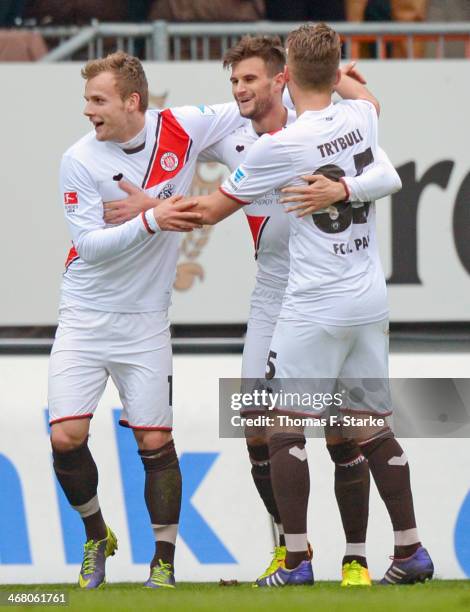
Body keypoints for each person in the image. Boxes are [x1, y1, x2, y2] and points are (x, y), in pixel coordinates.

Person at [103, 35, 403, 586]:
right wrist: (153, 192)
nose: (240, 90)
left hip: (322, 289)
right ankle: (295, 551)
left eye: (249, 80)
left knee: (340, 429)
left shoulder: (309, 124)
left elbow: (366, 110)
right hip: (273, 293)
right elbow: (160, 129)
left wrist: (347, 79)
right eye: (234, 81)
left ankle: (356, 557)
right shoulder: (227, 124)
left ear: (281, 79)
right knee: (256, 424)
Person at [170, 22, 434, 587]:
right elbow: (370, 112)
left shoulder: (279, 147)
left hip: (314, 301)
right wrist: (348, 182)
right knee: (371, 425)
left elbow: (212, 210)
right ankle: (411, 551)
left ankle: (295, 562)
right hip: (368, 294)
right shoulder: (359, 117)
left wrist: (154, 211)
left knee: (284, 425)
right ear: (334, 70)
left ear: (285, 77)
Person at [48, 50, 247, 590]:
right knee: (66, 437)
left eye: (98, 99)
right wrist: (154, 218)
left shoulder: (181, 126)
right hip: (85, 316)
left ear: (133, 101)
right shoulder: (79, 160)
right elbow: (89, 247)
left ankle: (163, 562)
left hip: (145, 321)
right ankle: (96, 536)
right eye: (87, 99)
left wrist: (323, 100)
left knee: (155, 443)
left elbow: (250, 109)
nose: (88, 110)